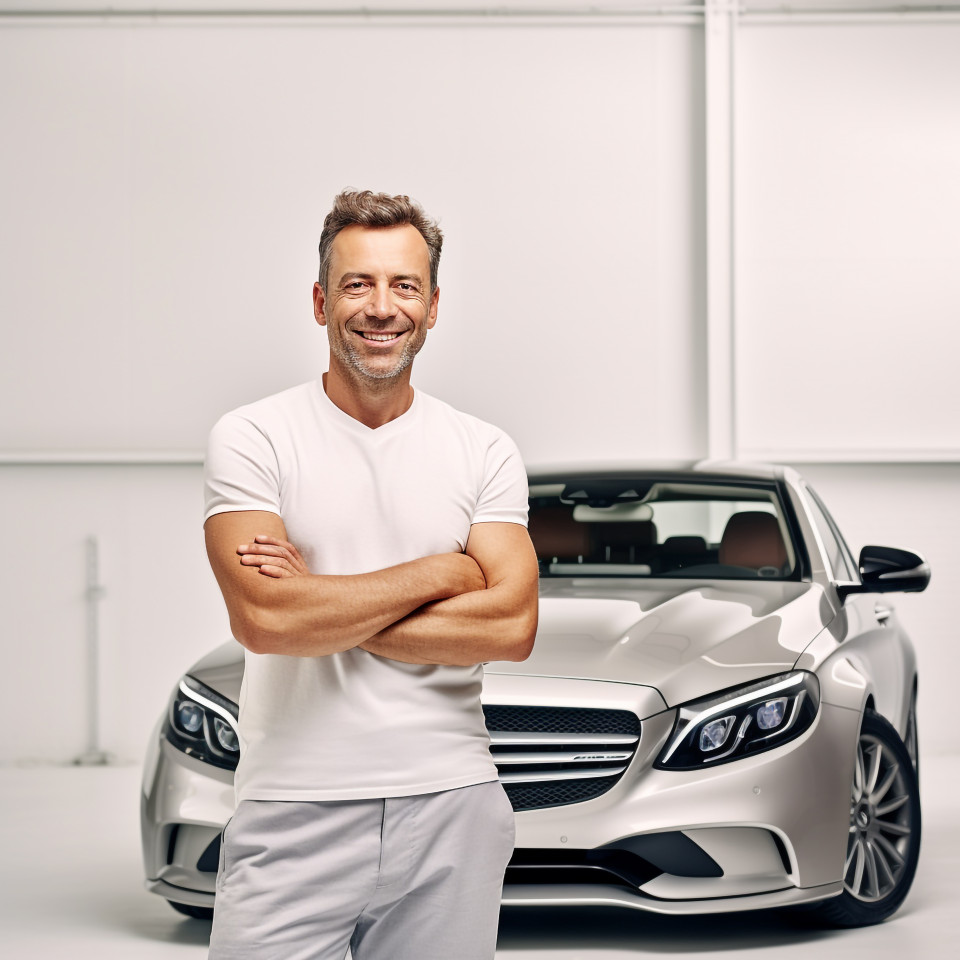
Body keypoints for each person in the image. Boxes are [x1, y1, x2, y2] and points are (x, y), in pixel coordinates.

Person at [202, 189, 539, 960]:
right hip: (294, 807)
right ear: (321, 302)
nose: (381, 308)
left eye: (404, 286)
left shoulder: (482, 450)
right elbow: (267, 620)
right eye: (357, 284)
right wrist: (444, 570)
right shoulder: (255, 437)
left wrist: (323, 603)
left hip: (453, 804)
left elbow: (511, 627)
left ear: (433, 305)